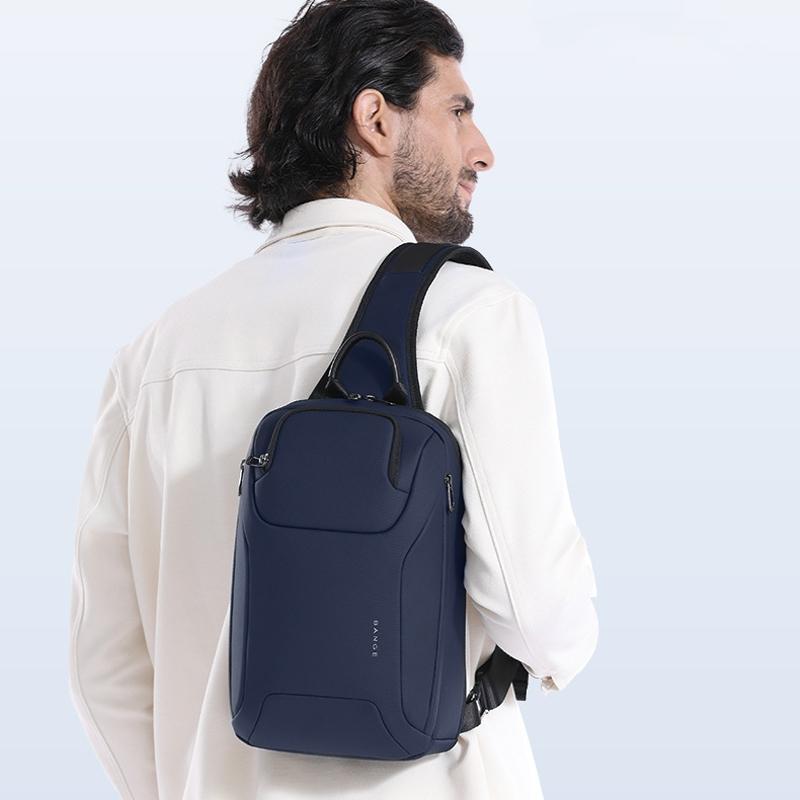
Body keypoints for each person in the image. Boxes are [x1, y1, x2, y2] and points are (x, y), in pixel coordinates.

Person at [68, 1, 599, 798]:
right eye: (457, 111)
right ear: (376, 119)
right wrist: (569, 644)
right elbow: (540, 610)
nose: (481, 150)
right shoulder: (468, 314)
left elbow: (104, 664)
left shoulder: (152, 356)